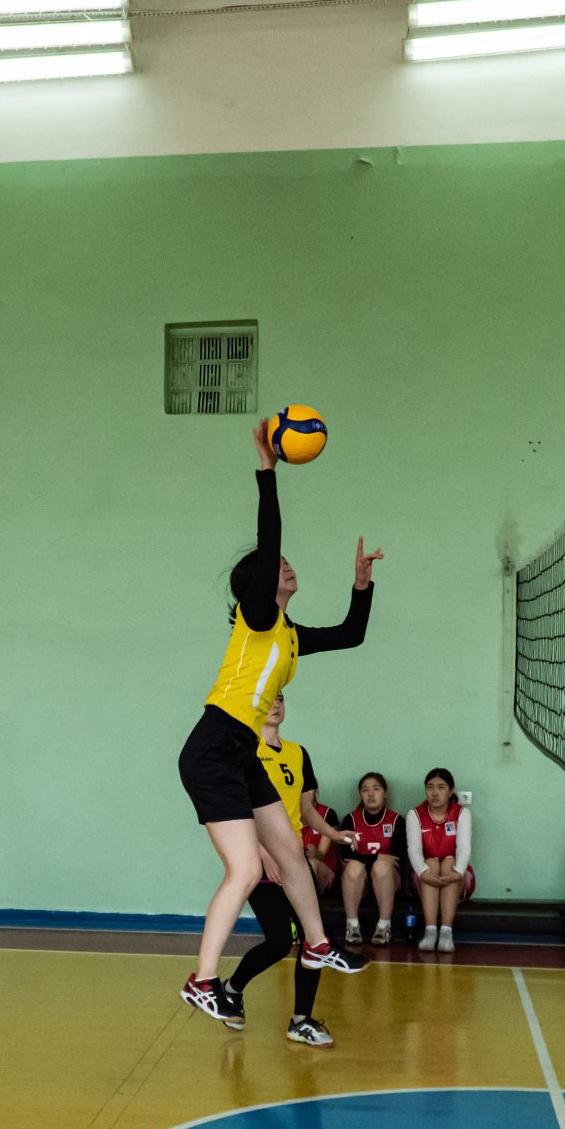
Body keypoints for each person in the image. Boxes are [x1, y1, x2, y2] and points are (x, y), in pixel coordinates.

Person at [175, 421, 377, 1020]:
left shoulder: (287, 635)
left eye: (287, 565)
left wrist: (361, 586)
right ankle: (202, 980)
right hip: (213, 746)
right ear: (258, 584)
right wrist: (268, 470)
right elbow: (271, 539)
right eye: (277, 565)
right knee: (244, 870)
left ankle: (317, 942)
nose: (286, 568)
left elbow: (352, 634)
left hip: (243, 752)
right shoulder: (258, 617)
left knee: (290, 851)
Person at [217, 694, 356, 1046]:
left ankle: (301, 1020)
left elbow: (307, 810)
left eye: (280, 699)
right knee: (279, 942)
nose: (276, 705)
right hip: (258, 857)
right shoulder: (245, 750)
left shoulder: (298, 753)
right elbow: (238, 809)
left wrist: (333, 834)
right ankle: (232, 988)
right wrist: (262, 853)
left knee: (314, 938)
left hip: (293, 859)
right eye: (269, 699)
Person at [406, 768, 472, 953]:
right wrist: (423, 873)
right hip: (424, 876)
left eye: (441, 787)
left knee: (449, 862)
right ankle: (430, 932)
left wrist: (457, 872)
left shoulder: (462, 813)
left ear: (450, 791)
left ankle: (446, 933)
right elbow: (414, 850)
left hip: (458, 876)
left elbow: (464, 848)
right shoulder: (415, 814)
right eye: (430, 787)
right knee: (431, 863)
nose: (434, 793)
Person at [338, 772, 403, 944]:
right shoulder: (351, 819)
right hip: (359, 881)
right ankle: (352, 925)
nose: (371, 794)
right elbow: (346, 856)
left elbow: (397, 857)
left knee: (381, 867)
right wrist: (379, 856)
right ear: (360, 794)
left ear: (385, 793)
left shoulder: (396, 820)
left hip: (387, 880)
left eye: (376, 789)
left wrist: (366, 857)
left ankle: (384, 926)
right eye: (365, 790)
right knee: (354, 867)